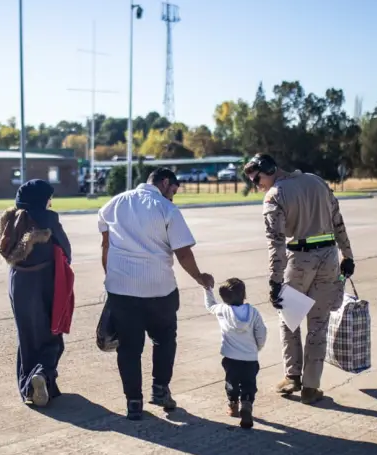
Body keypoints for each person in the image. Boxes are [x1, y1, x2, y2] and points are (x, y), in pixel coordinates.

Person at [98, 168, 213, 420]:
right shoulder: (166, 209)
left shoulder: (113, 204)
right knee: (164, 339)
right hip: (159, 289)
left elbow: (106, 245)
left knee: (128, 348)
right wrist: (199, 277)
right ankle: (160, 389)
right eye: (173, 189)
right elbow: (183, 253)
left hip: (121, 290)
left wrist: (111, 278)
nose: (173, 195)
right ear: (164, 183)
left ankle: (133, 402)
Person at [243, 153, 355, 405]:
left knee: (289, 319)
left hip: (300, 260)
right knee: (318, 324)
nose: (256, 185)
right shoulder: (316, 182)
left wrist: (274, 280)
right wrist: (347, 255)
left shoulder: (274, 196)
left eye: (257, 178)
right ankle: (311, 388)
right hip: (328, 258)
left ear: (269, 169)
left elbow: (276, 244)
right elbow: (338, 221)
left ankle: (292, 376)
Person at [0, 179, 71, 407]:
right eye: (49, 197)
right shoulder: (48, 219)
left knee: (27, 336)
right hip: (45, 280)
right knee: (52, 334)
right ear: (42, 199)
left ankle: (30, 387)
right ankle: (41, 374)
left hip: (18, 282)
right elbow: (67, 252)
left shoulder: (10, 218)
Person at [203, 277, 267, 429]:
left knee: (232, 382)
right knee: (249, 383)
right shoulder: (253, 312)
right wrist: (258, 347)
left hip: (231, 357)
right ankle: (246, 404)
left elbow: (210, 305)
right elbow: (261, 332)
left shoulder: (222, 310)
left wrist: (207, 290)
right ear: (244, 294)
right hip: (250, 357)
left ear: (224, 298)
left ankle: (233, 405)